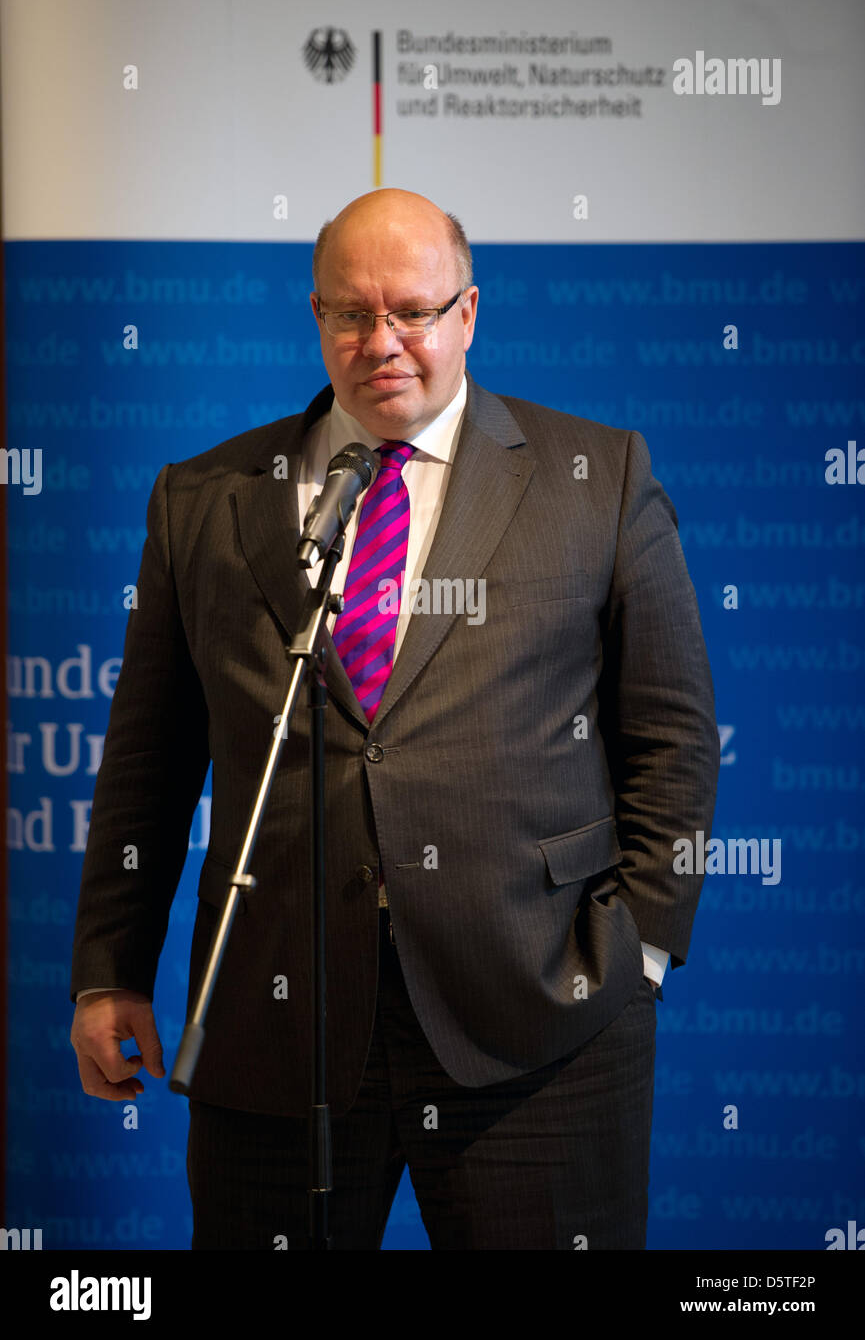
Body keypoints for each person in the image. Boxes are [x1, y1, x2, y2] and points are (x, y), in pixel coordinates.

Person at [70, 187, 719, 1250]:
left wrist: (639, 947)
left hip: (539, 1020)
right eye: (351, 314)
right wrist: (110, 968)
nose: (385, 343)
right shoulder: (205, 496)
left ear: (468, 313)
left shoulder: (593, 481)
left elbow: (673, 736)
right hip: (275, 1028)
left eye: (414, 312)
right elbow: (147, 760)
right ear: (315, 317)